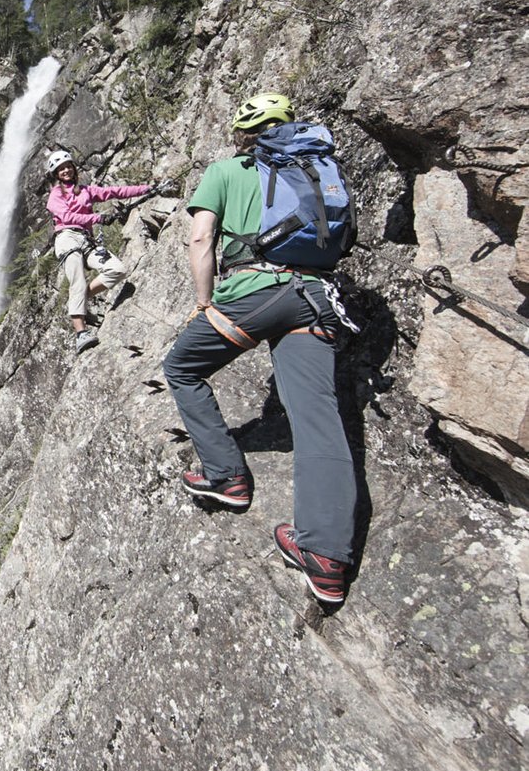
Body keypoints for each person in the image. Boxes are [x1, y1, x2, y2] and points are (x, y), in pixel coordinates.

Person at [161, 93, 357, 604]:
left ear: (242, 133)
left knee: (181, 366)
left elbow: (201, 239)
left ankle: (226, 477)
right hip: (315, 298)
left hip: (256, 294)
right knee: (319, 419)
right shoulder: (316, 170)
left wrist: (204, 302)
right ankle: (326, 555)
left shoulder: (225, 171)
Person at [44, 149, 153, 354]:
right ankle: (81, 334)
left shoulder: (85, 190)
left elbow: (115, 192)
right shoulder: (55, 195)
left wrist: (147, 189)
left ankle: (82, 299)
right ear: (56, 174)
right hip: (67, 238)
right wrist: (97, 218)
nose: (66, 170)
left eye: (68, 166)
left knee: (117, 269)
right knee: (77, 282)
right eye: (61, 169)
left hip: (87, 239)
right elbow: (67, 216)